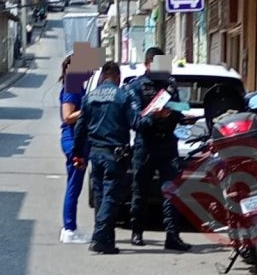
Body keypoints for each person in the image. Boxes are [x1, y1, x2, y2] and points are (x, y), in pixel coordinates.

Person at [125, 47, 192, 251]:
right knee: (140, 191)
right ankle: (137, 232)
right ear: (147, 65)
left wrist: (178, 113)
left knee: (171, 192)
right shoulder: (136, 87)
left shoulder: (170, 85)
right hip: (145, 145)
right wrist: (155, 115)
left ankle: (172, 236)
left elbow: (181, 108)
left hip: (168, 144)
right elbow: (136, 121)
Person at [73, 61, 141, 254]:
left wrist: (78, 154)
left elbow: (80, 128)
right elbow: (135, 123)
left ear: (103, 76)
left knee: (101, 198)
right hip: (115, 155)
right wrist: (153, 116)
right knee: (110, 199)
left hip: (96, 153)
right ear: (118, 78)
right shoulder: (123, 96)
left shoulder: (89, 97)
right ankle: (99, 238)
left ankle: (107, 241)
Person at [58, 55, 88, 244]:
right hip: (74, 142)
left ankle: (70, 227)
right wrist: (89, 109)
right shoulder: (72, 87)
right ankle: (69, 229)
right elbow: (67, 116)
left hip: (77, 141)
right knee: (74, 186)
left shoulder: (77, 87)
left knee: (74, 185)